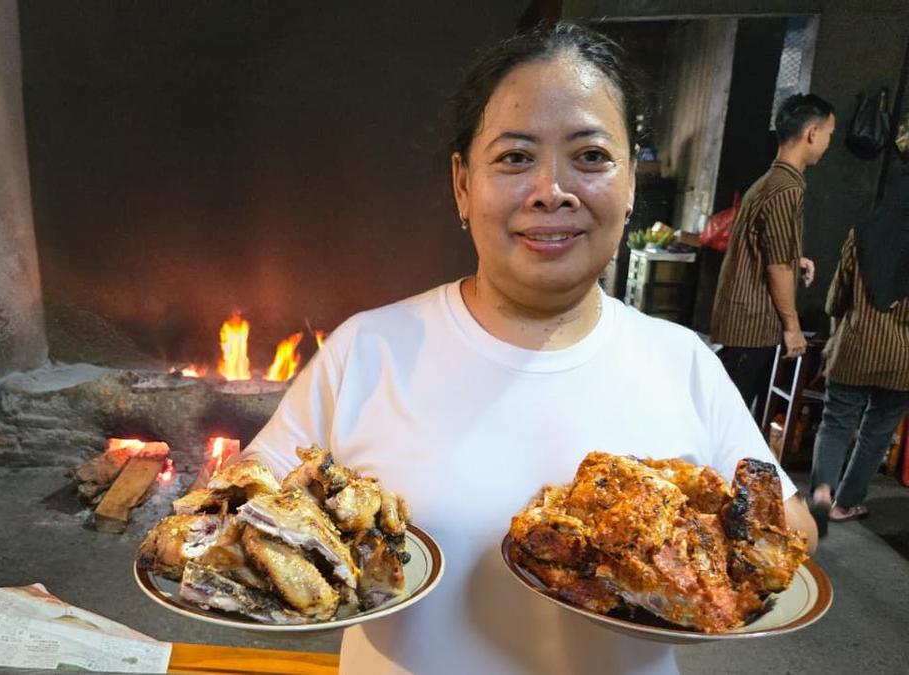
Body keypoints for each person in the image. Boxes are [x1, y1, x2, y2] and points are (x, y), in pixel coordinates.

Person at [239, 23, 817, 674]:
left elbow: (790, 529)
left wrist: (688, 554)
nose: (551, 189)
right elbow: (244, 503)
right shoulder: (369, 349)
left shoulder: (680, 359)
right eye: (514, 157)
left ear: (630, 183)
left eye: (591, 156)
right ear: (463, 185)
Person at [710, 94, 835, 421]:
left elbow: (774, 250)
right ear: (812, 133)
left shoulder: (771, 182)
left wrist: (798, 259)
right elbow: (776, 265)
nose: (828, 143)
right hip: (752, 325)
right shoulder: (786, 189)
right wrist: (792, 327)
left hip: (744, 321)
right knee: (727, 420)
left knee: (727, 414)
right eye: (828, 134)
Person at [808, 175, 909, 534]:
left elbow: (837, 296)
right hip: (904, 360)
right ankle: (846, 503)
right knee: (876, 433)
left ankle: (821, 492)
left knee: (836, 423)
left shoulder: (863, 233)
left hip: (855, 346)